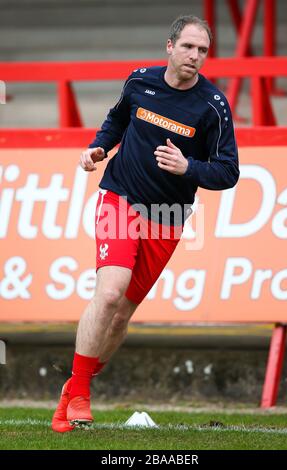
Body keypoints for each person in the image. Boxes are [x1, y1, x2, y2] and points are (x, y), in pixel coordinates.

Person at [52, 14, 239, 433]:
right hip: (119, 196)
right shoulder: (140, 81)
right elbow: (117, 120)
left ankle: (75, 385)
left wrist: (187, 167)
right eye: (188, 47)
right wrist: (98, 148)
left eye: (203, 50)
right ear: (169, 47)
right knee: (110, 292)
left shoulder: (213, 106)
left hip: (167, 218)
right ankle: (81, 394)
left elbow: (228, 172)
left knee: (121, 317)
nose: (195, 56)